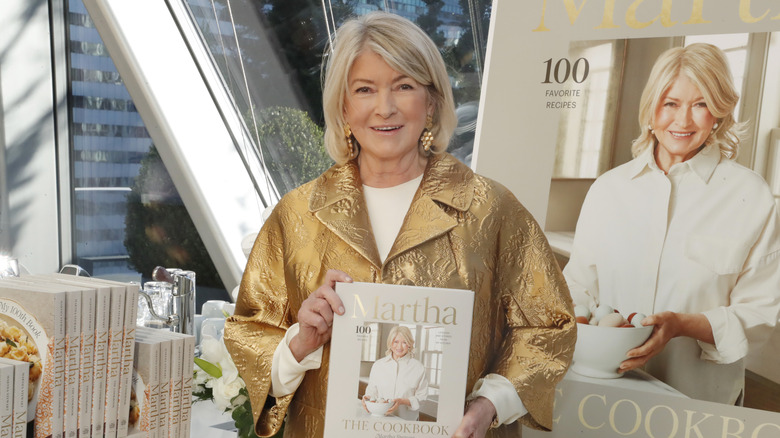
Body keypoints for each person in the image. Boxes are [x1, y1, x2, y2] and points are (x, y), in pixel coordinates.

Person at [224, 11, 575, 438]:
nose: (385, 107)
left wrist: (489, 406)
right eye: (365, 89)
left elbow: (548, 326)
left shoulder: (490, 209)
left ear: (431, 102)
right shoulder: (297, 214)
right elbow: (250, 334)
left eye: (404, 86)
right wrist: (301, 342)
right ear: (344, 106)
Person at [563, 43, 780, 405]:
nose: (683, 121)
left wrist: (680, 325)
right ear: (651, 110)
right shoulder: (608, 189)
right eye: (671, 104)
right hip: (604, 393)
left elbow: (760, 313)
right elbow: (579, 287)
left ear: (719, 113)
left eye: (700, 104)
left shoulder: (751, 195)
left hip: (698, 400)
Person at [360, 325, 428, 420]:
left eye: (404, 342)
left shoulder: (418, 368)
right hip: (380, 419)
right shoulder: (378, 365)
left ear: (409, 344)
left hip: (406, 422)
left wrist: (402, 401)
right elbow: (372, 392)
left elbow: (422, 399)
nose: (399, 346)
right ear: (390, 343)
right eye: (396, 341)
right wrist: (367, 398)